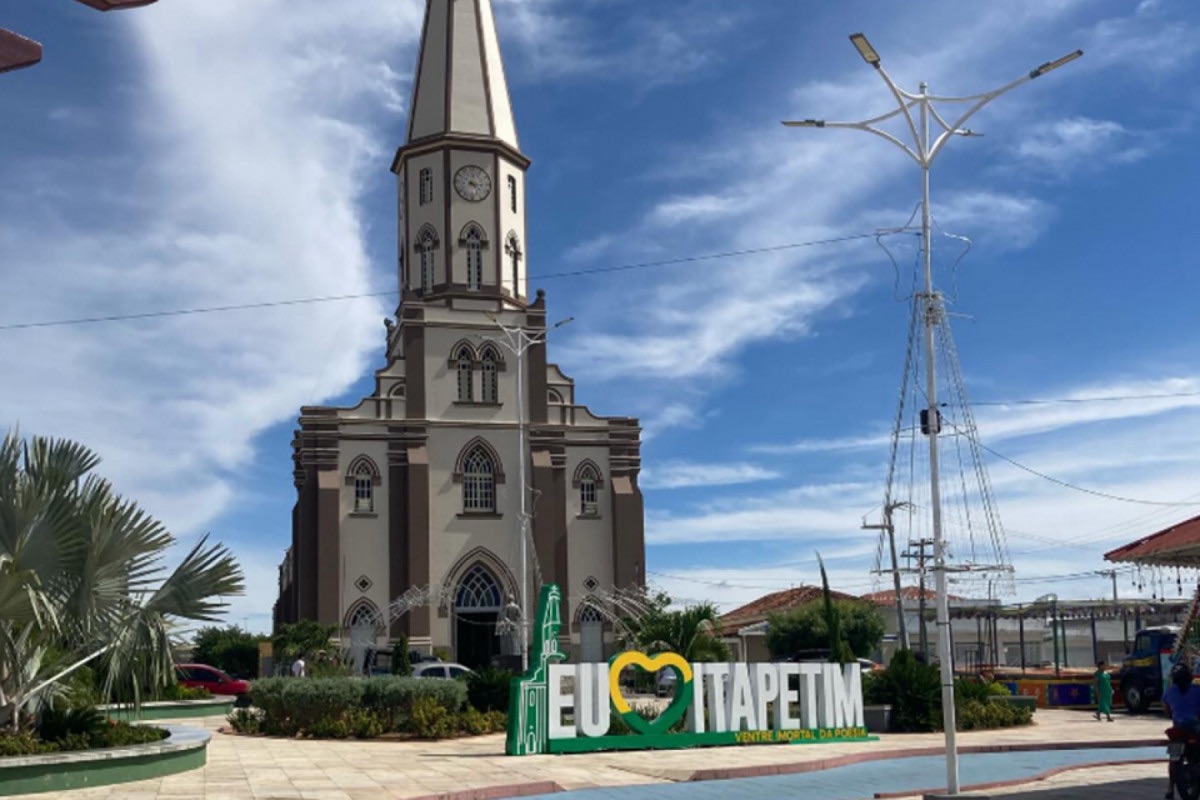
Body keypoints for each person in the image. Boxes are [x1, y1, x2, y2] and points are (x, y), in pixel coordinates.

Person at [1163, 661, 1200, 799]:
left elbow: (1166, 710)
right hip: (1195, 728)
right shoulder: (1197, 690)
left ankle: (1170, 788)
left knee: (1173, 758)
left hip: (1177, 730)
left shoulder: (1170, 691)